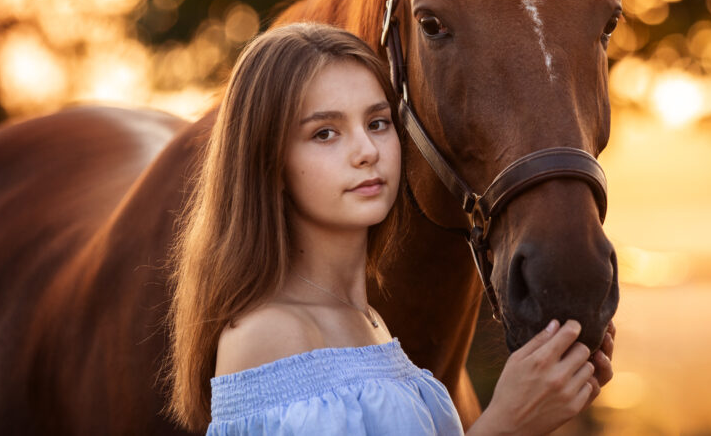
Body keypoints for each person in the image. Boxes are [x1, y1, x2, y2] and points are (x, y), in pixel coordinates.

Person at [167, 22, 615, 435]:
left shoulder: (369, 321)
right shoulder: (269, 335)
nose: (367, 150)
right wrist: (507, 422)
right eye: (325, 133)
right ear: (268, 162)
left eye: (377, 123)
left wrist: (549, 393)